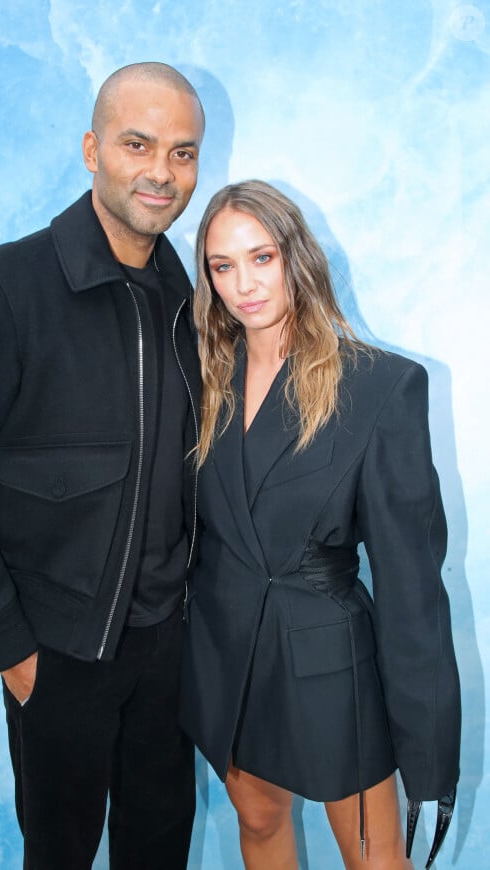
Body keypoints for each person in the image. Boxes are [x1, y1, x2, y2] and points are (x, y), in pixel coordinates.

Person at [0, 62, 204, 869]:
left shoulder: (192, 305)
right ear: (91, 148)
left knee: (159, 852)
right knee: (60, 857)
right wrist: (12, 647)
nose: (160, 171)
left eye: (182, 153)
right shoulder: (3, 286)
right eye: (137, 143)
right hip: (57, 652)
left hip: (167, 653)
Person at [180, 180, 461, 869]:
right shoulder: (201, 378)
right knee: (258, 821)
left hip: (332, 670)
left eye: (261, 258)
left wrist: (428, 754)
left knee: (373, 860)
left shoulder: (378, 386)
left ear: (295, 258)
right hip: (227, 657)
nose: (244, 284)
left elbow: (410, 586)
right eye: (223, 266)